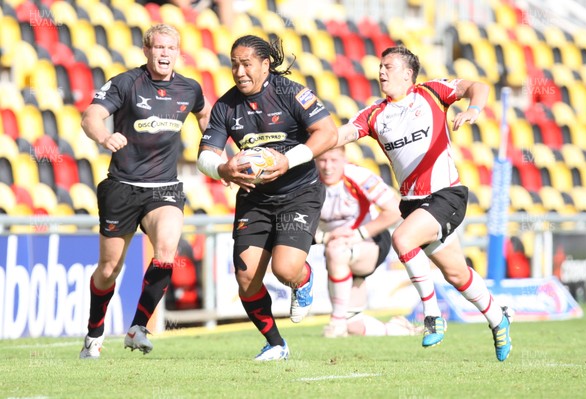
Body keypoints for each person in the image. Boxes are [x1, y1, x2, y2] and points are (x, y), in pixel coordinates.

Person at [335, 45, 513, 361]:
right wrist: (307, 147)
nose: (381, 72)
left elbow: (478, 86)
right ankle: (499, 319)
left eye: (388, 66)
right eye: (380, 67)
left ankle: (431, 315)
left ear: (408, 73)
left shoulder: (431, 92)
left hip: (447, 195)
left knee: (402, 238)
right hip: (413, 204)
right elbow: (341, 136)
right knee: (457, 274)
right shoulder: (375, 114)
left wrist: (474, 108)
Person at [196, 34, 338, 361]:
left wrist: (288, 160)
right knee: (246, 278)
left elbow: (328, 133)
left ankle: (303, 280)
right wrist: (224, 170)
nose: (239, 71)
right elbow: (205, 155)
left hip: (299, 192)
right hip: (255, 198)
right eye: (234, 64)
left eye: (246, 64)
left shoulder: (291, 93)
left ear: (264, 64)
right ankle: (275, 343)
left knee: (286, 270)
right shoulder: (226, 105)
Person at [79, 24, 212, 359]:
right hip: (122, 187)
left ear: (178, 52)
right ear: (146, 51)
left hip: (164, 188)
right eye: (158, 47)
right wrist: (104, 137)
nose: (164, 53)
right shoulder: (126, 83)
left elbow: (206, 116)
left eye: (170, 48)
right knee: (110, 268)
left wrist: (213, 151)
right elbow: (90, 116)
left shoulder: (190, 88)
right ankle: (94, 333)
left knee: (166, 251)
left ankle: (138, 327)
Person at [315, 146, 422, 337]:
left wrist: (357, 234)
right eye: (322, 160)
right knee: (354, 324)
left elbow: (395, 210)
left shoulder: (359, 176)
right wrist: (324, 237)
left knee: (336, 249)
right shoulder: (308, 181)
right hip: (337, 251)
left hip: (370, 242)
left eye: (334, 160)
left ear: (344, 158)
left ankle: (336, 324)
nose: (327, 166)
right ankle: (399, 330)